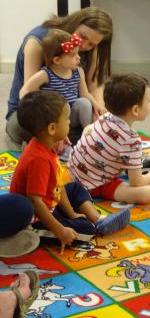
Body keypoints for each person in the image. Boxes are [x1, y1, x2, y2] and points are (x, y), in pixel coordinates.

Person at [10, 91, 131, 250]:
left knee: (75, 187)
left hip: (49, 203)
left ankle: (97, 219)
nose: (69, 122)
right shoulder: (38, 159)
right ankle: (91, 226)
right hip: (34, 219)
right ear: (52, 128)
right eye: (67, 119)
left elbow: (57, 186)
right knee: (85, 230)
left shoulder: (46, 146)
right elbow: (35, 202)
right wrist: (60, 230)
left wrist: (71, 213)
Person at [6, 6, 113, 145]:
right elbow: (31, 97)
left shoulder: (91, 47)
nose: (83, 45)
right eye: (82, 36)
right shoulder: (38, 41)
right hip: (33, 112)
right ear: (76, 22)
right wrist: (54, 129)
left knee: (106, 123)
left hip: (68, 111)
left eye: (92, 44)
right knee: (24, 129)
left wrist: (98, 115)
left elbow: (94, 84)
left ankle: (73, 136)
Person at [68, 73, 150, 205]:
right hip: (94, 185)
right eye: (148, 101)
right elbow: (136, 183)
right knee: (145, 193)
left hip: (72, 171)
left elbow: (87, 130)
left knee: (115, 149)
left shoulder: (106, 116)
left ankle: (133, 164)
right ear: (136, 110)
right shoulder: (131, 139)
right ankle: (147, 169)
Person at [19, 29, 106, 138]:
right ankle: (59, 136)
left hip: (71, 116)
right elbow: (25, 90)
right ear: (57, 60)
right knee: (61, 106)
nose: (78, 58)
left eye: (78, 53)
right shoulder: (46, 74)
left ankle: (89, 134)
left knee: (84, 103)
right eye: (73, 55)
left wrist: (96, 104)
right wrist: (30, 109)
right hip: (54, 117)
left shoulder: (78, 72)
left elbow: (85, 94)